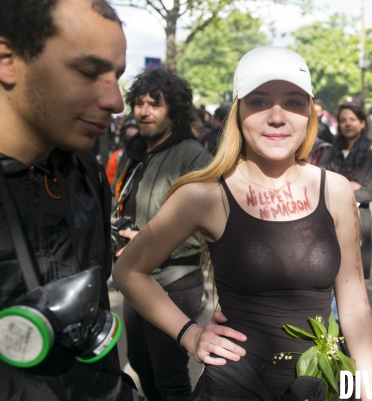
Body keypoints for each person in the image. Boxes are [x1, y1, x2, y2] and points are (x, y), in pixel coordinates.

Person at [112, 46, 372, 400]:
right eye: (259, 101)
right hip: (235, 387)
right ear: (238, 112)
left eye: (294, 102)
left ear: (310, 115)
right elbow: (129, 271)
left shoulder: (336, 189)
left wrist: (370, 392)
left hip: (319, 385)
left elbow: (356, 306)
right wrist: (190, 335)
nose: (277, 116)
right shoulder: (205, 194)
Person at [0, 0, 144, 400]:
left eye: (116, 76)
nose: (116, 103)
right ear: (7, 60)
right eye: (87, 71)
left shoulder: (86, 173)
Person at [111, 68, 212, 401]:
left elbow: (206, 227)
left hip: (174, 280)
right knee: (139, 362)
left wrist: (141, 245)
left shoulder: (193, 156)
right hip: (136, 276)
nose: (143, 112)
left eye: (154, 104)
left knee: (170, 377)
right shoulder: (137, 150)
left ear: (175, 110)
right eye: (138, 104)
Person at [321, 103, 372, 279]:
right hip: (328, 221)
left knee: (352, 279)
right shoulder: (329, 154)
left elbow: (367, 193)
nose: (347, 123)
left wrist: (335, 187)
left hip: (358, 222)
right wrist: (350, 185)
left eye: (352, 119)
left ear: (363, 123)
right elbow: (319, 186)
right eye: (343, 120)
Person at [106, 117, 138, 185]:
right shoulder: (117, 155)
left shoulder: (147, 156)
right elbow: (109, 178)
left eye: (134, 137)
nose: (131, 141)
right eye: (128, 136)